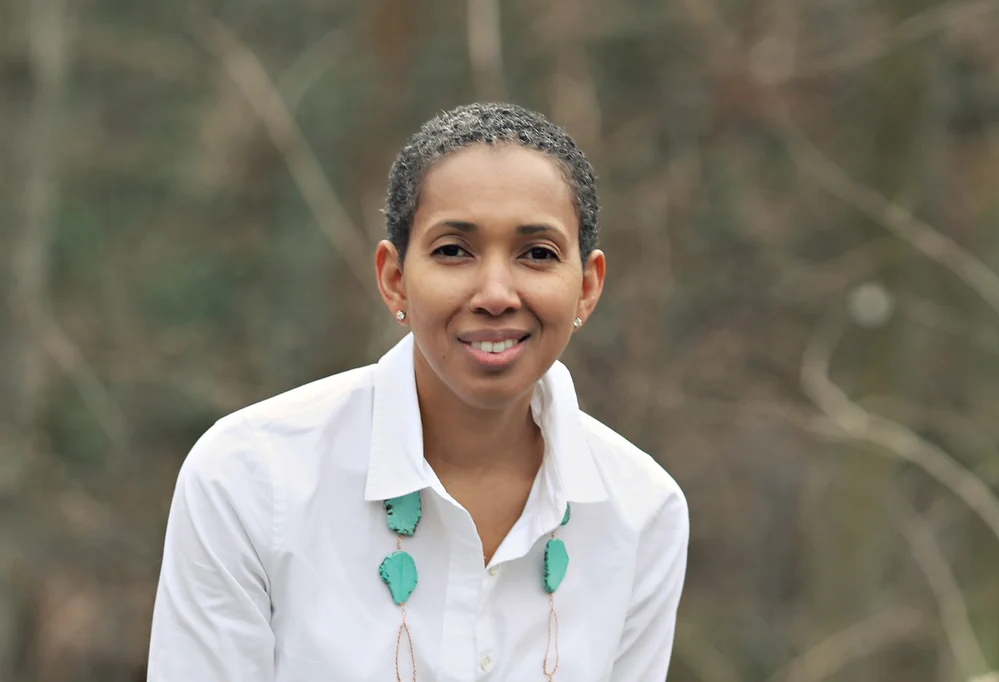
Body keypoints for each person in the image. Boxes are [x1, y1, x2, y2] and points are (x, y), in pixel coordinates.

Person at [146, 102, 689, 682]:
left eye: (538, 254)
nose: (496, 292)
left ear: (586, 287)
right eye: (454, 250)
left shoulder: (642, 512)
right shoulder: (248, 478)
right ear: (394, 278)